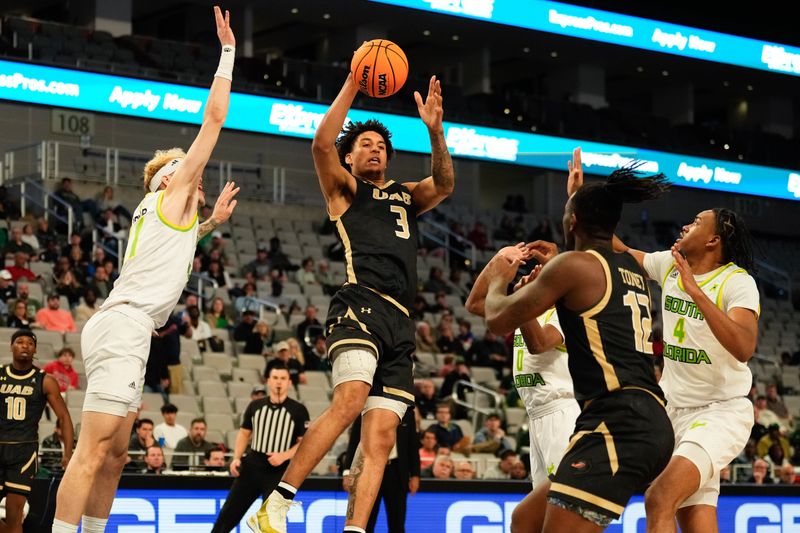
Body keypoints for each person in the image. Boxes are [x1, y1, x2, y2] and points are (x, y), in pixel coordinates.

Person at [52, 9, 240, 532]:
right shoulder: (173, 192)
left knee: (115, 457)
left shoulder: (166, 218)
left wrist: (211, 225)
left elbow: (176, 248)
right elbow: (215, 121)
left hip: (126, 326)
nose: (193, 172)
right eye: (182, 167)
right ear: (163, 183)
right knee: (92, 453)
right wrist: (226, 53)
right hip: (125, 325)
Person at [252, 70, 454, 533]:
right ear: (349, 157)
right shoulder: (345, 190)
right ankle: (278, 502)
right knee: (350, 400)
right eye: (364, 144)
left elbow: (443, 184)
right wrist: (352, 84)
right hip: (360, 303)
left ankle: (355, 529)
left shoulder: (405, 195)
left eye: (380, 145)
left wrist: (436, 131)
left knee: (380, 439)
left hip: (401, 323)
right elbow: (320, 145)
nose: (375, 148)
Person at [481, 159, 674, 531]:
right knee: (525, 520)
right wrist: (577, 198)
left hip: (619, 420)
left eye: (568, 213)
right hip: (640, 416)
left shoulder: (573, 266)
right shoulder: (629, 268)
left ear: (572, 222)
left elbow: (495, 318)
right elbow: (599, 230)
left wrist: (498, 276)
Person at [608, 175, 760, 528]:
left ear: (713, 240)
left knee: (658, 496)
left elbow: (743, 347)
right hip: (674, 411)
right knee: (694, 517)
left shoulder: (737, 282)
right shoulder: (670, 266)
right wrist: (583, 207)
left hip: (720, 412)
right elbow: (618, 250)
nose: (684, 225)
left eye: (695, 222)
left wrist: (695, 291)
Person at [467, 249, 579, 489]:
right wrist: (497, 262)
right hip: (536, 415)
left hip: (561, 412)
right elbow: (475, 304)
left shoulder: (567, 313)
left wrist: (521, 301)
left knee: (562, 500)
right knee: (542, 504)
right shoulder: (526, 312)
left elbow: (539, 344)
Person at [212, 365, 308, 533]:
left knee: (272, 521)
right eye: (276, 378)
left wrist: (284, 455)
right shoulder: (255, 406)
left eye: (283, 378)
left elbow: (304, 443)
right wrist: (236, 458)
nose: (279, 382)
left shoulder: (298, 410)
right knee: (228, 515)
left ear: (289, 383)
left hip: (279, 470)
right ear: (268, 381)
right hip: (252, 465)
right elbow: (243, 433)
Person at [1, 330, 73, 531]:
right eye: (19, 342)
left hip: (23, 453)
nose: (25, 345)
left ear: (34, 349)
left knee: (15, 517)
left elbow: (64, 417)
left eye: (29, 343)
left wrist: (68, 454)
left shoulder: (45, 380)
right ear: (11, 346)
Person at [343, 407, 420, 533]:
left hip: (397, 472)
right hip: (370, 469)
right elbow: (354, 442)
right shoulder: (366, 407)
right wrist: (347, 471)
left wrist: (415, 475)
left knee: (397, 522)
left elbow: (412, 445)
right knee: (367, 521)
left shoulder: (408, 413)